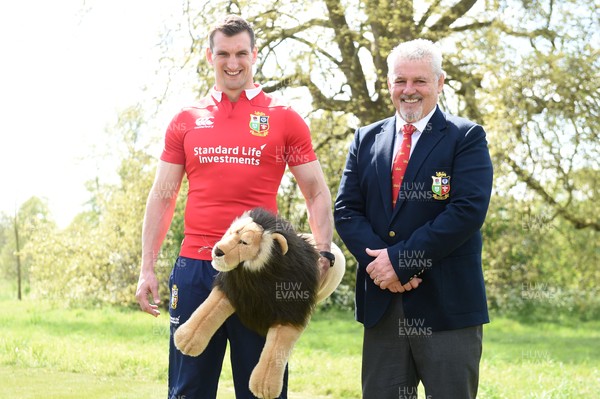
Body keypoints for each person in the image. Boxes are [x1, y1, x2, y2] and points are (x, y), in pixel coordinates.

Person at [135, 15, 334, 399]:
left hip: (260, 271)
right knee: (188, 390)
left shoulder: (284, 118)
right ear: (209, 56)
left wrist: (322, 250)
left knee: (262, 390)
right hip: (196, 268)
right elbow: (162, 196)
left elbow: (316, 193)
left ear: (254, 55)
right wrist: (147, 267)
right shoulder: (185, 120)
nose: (232, 62)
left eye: (241, 53)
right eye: (223, 53)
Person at [334, 39, 493, 399]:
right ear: (388, 83)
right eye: (400, 80)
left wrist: (402, 263)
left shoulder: (466, 137)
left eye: (420, 81)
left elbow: (467, 211)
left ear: (440, 83)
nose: (409, 90)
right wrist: (384, 269)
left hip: (448, 307)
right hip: (383, 306)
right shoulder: (365, 139)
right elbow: (346, 210)